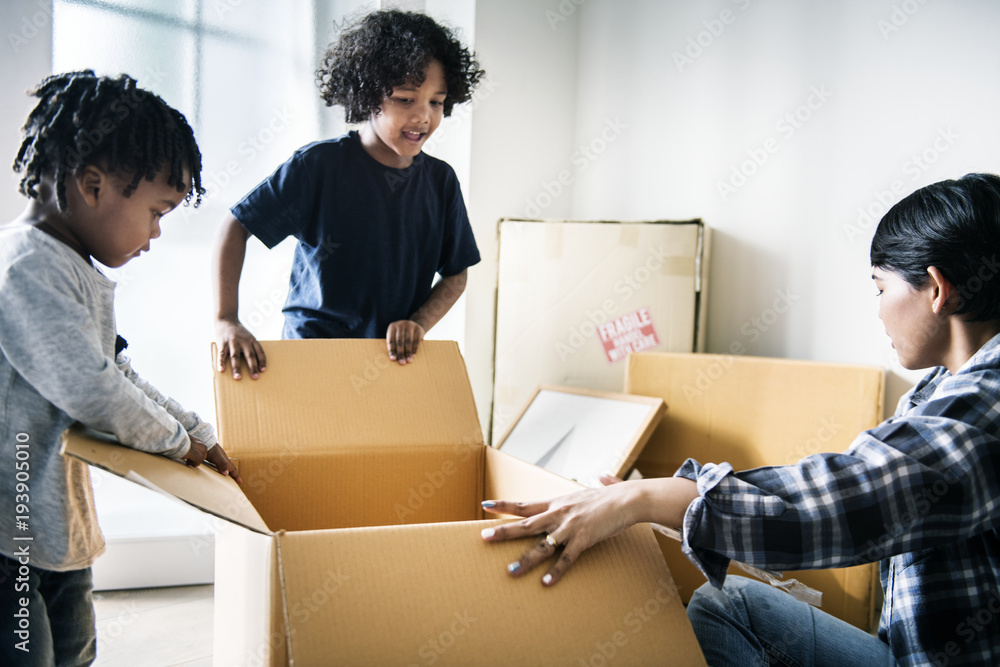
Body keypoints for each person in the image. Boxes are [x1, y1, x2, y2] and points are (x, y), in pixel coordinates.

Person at [481, 173, 1000, 666]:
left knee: (729, 607)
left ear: (935, 289)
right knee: (732, 604)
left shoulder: (987, 404)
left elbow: (852, 499)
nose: (879, 310)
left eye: (880, 288)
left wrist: (644, 497)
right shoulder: (938, 392)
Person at [0, 70, 241, 667]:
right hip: (12, 535)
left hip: (56, 529)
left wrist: (199, 434)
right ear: (92, 184)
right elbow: (93, 388)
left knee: (76, 652)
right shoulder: (26, 267)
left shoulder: (72, 267)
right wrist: (175, 443)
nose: (156, 236)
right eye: (157, 211)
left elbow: (119, 372)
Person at [213, 9, 485, 379]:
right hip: (311, 357)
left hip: (386, 365)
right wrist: (226, 318)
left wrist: (418, 323)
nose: (424, 116)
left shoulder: (442, 183)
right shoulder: (318, 165)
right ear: (369, 94)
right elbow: (236, 225)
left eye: (436, 101)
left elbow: (456, 274)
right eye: (406, 99)